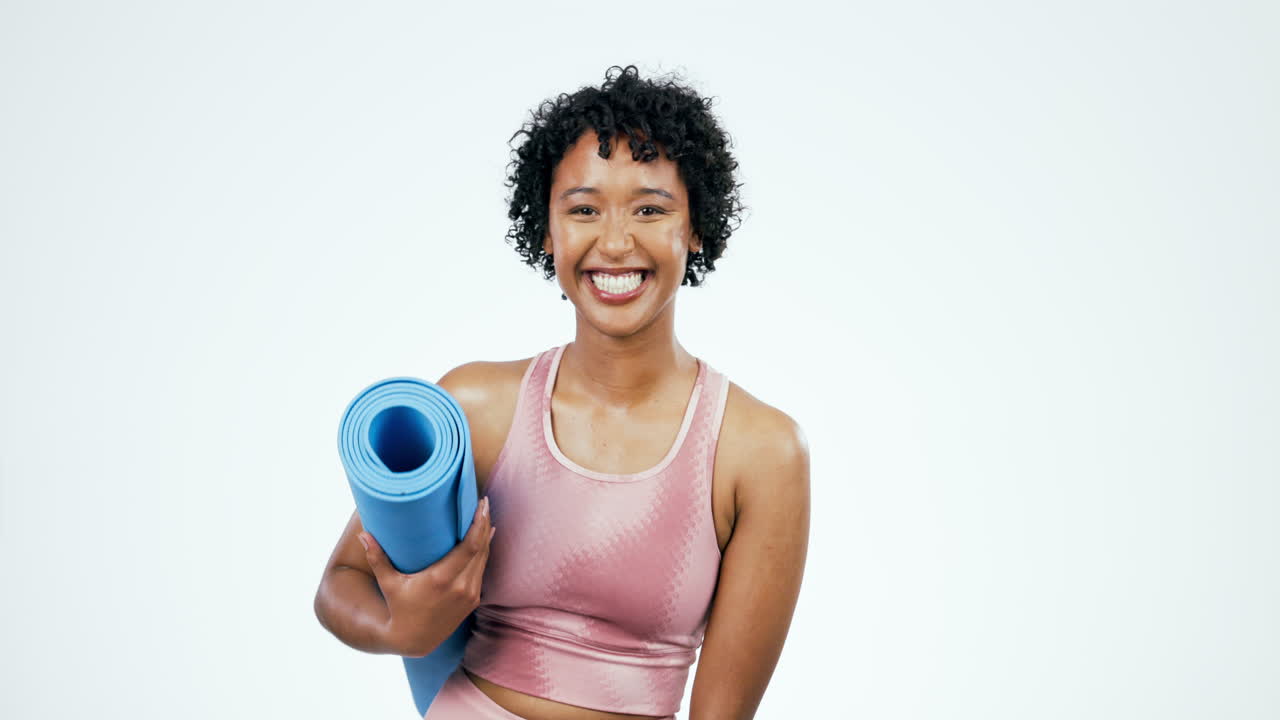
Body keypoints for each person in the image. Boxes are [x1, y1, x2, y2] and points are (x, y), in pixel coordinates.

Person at [314, 64, 810, 720]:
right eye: (583, 209)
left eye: (650, 209)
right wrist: (398, 629)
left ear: (694, 228)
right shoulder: (476, 408)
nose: (614, 241)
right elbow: (339, 585)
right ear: (547, 231)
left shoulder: (761, 453)